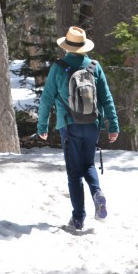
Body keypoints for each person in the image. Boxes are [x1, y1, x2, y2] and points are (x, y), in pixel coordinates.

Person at [38, 26, 119, 231]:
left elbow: (46, 99)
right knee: (89, 165)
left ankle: (78, 218)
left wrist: (42, 125)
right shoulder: (94, 67)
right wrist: (113, 125)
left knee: (74, 174)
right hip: (92, 124)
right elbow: (107, 99)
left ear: (67, 47)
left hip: (69, 126)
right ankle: (97, 193)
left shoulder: (59, 67)